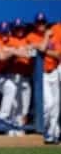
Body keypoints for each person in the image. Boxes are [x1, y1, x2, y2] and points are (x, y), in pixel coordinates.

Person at [26, 12, 61, 144]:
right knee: (48, 104)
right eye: (39, 23)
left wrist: (44, 49)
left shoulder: (54, 35)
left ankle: (53, 135)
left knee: (56, 106)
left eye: (43, 23)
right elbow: (41, 46)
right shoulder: (32, 35)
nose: (41, 25)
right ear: (35, 24)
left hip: (54, 72)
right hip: (42, 75)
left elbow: (58, 54)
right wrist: (45, 37)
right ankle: (44, 132)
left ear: (46, 23)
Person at [8, 18, 32, 136]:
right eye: (17, 28)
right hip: (13, 76)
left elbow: (34, 47)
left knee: (24, 108)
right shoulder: (10, 39)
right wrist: (19, 51)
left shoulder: (27, 39)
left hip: (26, 77)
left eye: (21, 28)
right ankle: (11, 132)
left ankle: (21, 132)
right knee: (14, 105)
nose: (20, 30)